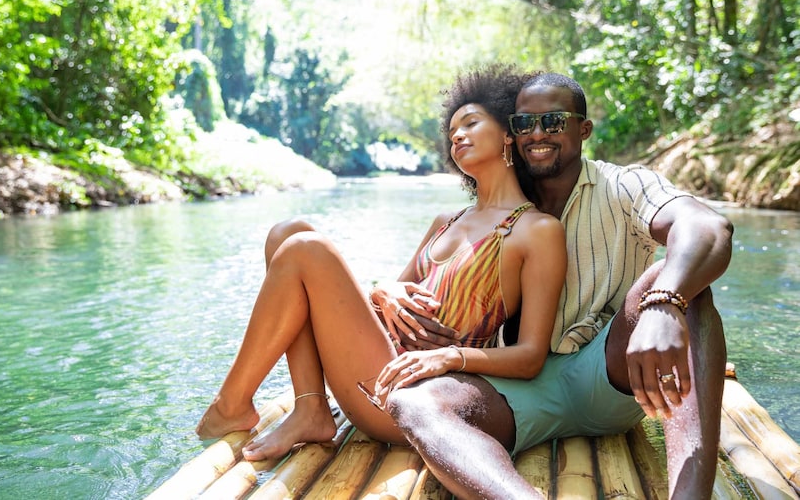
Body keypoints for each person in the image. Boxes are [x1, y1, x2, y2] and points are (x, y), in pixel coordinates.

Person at [193, 64, 567, 466]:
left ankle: (230, 405)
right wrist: (382, 289)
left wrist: (448, 357)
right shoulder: (447, 221)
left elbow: (530, 357)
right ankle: (311, 407)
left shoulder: (536, 230)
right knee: (287, 232)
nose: (457, 135)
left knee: (305, 247)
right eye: (453, 130)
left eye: (471, 123)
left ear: (509, 135)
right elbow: (389, 296)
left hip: (410, 394)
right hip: (378, 355)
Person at [384, 72, 734, 499]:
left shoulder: (623, 185)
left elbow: (707, 227)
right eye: (523, 124)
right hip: (516, 383)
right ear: (509, 136)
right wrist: (388, 291)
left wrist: (664, 303)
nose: (536, 135)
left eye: (552, 122)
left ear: (582, 129)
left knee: (683, 284)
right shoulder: (498, 206)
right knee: (413, 403)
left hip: (608, 373)